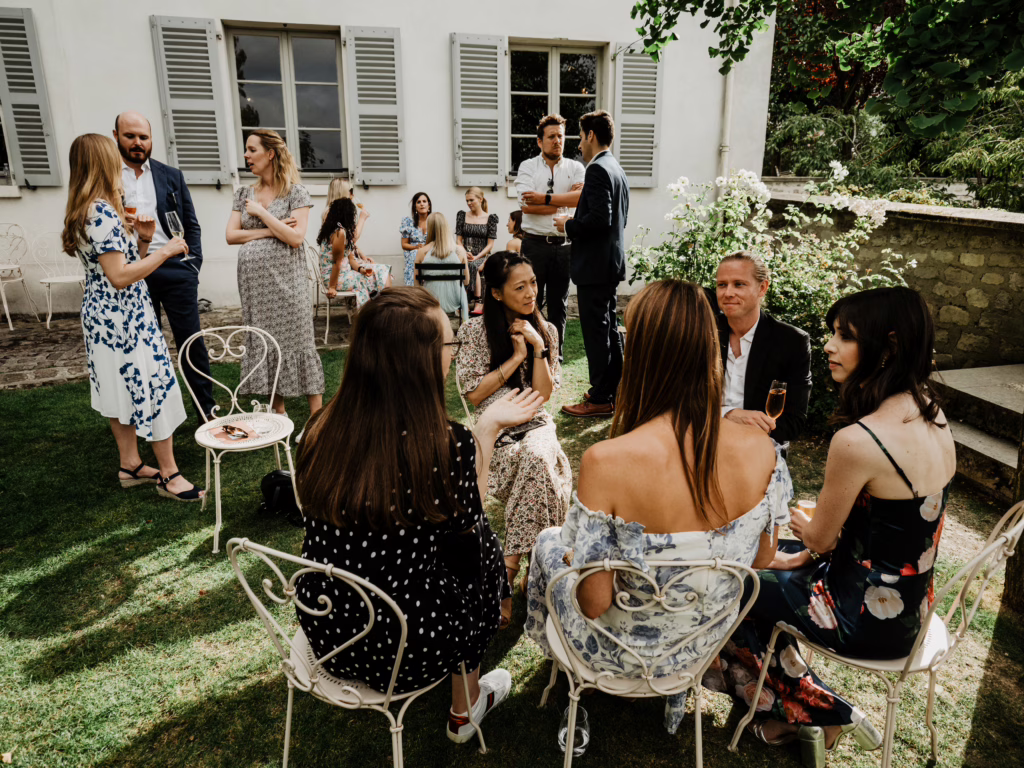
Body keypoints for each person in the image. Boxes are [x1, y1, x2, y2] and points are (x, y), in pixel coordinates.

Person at [524, 280, 791, 732]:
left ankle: (565, 684)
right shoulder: (763, 451)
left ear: (642, 354)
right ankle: (672, 700)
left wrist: (579, 556)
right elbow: (763, 559)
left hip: (614, 652)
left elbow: (593, 603)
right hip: (696, 647)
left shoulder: (607, 462)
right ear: (709, 349)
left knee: (549, 543)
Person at [712, 286, 953, 766]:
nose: (828, 345)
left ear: (888, 348)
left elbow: (821, 539)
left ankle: (823, 713)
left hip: (858, 615)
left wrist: (804, 528)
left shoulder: (858, 440)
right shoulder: (931, 411)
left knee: (731, 581)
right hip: (912, 606)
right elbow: (894, 526)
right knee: (765, 567)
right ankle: (791, 707)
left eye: (844, 336)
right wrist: (806, 547)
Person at [294, 287, 545, 742]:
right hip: (404, 650)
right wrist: (485, 429)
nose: (453, 354)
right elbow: (469, 520)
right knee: (480, 550)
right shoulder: (443, 446)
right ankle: (464, 709)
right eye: (450, 345)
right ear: (419, 360)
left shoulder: (318, 428)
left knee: (463, 549)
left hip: (328, 628)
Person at [61, 133, 204, 501]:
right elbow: (120, 277)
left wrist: (143, 240)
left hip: (103, 315)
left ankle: (130, 465)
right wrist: (166, 250)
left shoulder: (84, 210)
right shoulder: (102, 212)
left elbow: (119, 263)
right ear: (103, 164)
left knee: (118, 388)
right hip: (125, 319)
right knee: (153, 384)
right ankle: (169, 475)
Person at [456, 251, 572, 627]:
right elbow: (474, 394)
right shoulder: (474, 332)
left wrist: (538, 346)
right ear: (496, 293)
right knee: (540, 470)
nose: (530, 293)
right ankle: (536, 567)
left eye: (533, 283)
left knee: (538, 458)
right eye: (519, 287)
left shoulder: (548, 330)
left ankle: (503, 575)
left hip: (535, 424)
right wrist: (515, 355)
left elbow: (542, 395)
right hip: (495, 430)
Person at [114, 110, 215, 421]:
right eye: (130, 136)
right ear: (116, 136)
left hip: (175, 269)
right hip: (131, 271)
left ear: (151, 139)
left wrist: (192, 265)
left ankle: (207, 412)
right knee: (143, 346)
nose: (137, 143)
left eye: (143, 137)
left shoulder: (171, 175)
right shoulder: (108, 176)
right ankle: (152, 415)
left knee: (191, 342)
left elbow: (191, 225)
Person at [226, 129, 323, 417]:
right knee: (265, 341)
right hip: (255, 286)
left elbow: (296, 238)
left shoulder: (296, 192)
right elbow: (231, 236)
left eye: (251, 150)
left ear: (270, 154)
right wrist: (274, 228)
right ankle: (277, 412)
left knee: (299, 341)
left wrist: (262, 215)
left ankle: (317, 417)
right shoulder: (243, 194)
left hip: (288, 283)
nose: (246, 155)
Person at [556, 110, 629, 417]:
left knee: (597, 333)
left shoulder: (598, 170)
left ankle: (601, 398)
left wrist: (568, 225)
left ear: (590, 136)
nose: (578, 145)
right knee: (609, 329)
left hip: (596, 267)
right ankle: (613, 388)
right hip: (608, 263)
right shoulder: (616, 168)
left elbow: (600, 220)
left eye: (580, 137)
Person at [714, 251, 812, 444]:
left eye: (739, 284)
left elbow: (794, 421)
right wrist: (727, 414)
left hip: (760, 449)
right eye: (721, 285)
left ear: (762, 288)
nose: (728, 293)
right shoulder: (701, 332)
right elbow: (679, 402)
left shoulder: (791, 341)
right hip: (703, 444)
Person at [515, 114, 585, 352]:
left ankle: (556, 356)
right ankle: (530, 352)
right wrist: (566, 202)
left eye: (561, 136)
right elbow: (526, 206)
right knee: (529, 302)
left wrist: (543, 200)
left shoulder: (576, 167)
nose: (557, 141)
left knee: (559, 305)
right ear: (539, 141)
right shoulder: (527, 167)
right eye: (552, 136)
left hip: (565, 246)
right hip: (534, 245)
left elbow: (581, 201)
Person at [316, 197, 391, 308]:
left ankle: (379, 310)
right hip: (334, 277)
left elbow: (350, 259)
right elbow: (336, 263)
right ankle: (377, 311)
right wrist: (332, 287)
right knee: (376, 278)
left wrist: (362, 270)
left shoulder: (342, 231)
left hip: (345, 272)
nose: (354, 217)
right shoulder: (339, 233)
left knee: (383, 270)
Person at [416, 212, 469, 320]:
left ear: (429, 228)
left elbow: (416, 284)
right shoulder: (459, 251)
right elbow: (467, 281)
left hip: (431, 300)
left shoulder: (422, 252)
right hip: (455, 298)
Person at [454, 186, 499, 314]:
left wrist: (477, 256)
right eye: (467, 201)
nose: (468, 203)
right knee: (465, 264)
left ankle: (474, 301)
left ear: (480, 199)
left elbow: (490, 244)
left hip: (483, 255)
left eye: (471, 200)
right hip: (464, 253)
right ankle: (469, 301)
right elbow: (458, 240)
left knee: (473, 265)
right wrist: (463, 251)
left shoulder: (490, 218)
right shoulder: (462, 216)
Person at [322, 177, 369, 250]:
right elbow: (353, 238)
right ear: (342, 193)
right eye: (350, 191)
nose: (353, 195)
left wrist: (362, 255)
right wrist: (362, 219)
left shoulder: (334, 211)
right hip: (337, 259)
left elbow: (349, 241)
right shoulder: (333, 213)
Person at [399, 192, 431, 286]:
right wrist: (416, 247)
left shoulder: (434, 221)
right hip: (414, 253)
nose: (422, 204)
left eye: (424, 201)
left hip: (430, 251)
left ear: (428, 205)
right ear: (415, 206)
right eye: (418, 202)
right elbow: (404, 244)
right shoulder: (408, 222)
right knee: (415, 254)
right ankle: (414, 289)